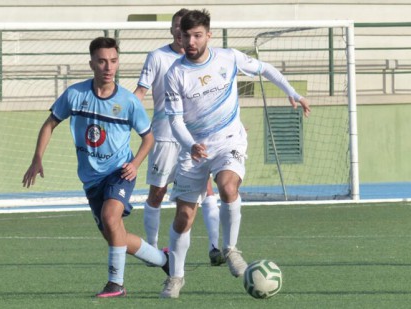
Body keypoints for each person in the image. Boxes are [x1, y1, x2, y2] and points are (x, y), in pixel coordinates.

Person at [160, 9, 311, 298]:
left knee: (228, 187)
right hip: (193, 148)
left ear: (208, 35)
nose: (190, 41)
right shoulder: (175, 74)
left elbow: (265, 69)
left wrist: (292, 91)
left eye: (197, 35)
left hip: (229, 138)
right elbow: (175, 120)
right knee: (184, 217)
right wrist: (190, 144)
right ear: (179, 36)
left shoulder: (228, 58)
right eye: (185, 35)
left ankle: (230, 249)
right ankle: (176, 278)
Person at [22, 37, 169, 298]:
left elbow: (149, 137)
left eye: (113, 61)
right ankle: (163, 260)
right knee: (115, 234)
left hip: (119, 172)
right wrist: (37, 159)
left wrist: (135, 164)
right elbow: (49, 124)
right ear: (91, 63)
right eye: (102, 61)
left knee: (111, 218)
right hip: (91, 180)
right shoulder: (75, 95)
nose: (108, 67)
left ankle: (116, 284)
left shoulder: (128, 101)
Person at [134, 8, 225, 266]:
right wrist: (126, 113)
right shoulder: (158, 57)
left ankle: (215, 247)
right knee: (157, 192)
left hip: (198, 137)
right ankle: (151, 250)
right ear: (174, 30)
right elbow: (141, 91)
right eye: (177, 27)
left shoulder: (207, 61)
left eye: (185, 28)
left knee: (207, 191)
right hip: (165, 136)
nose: (180, 32)